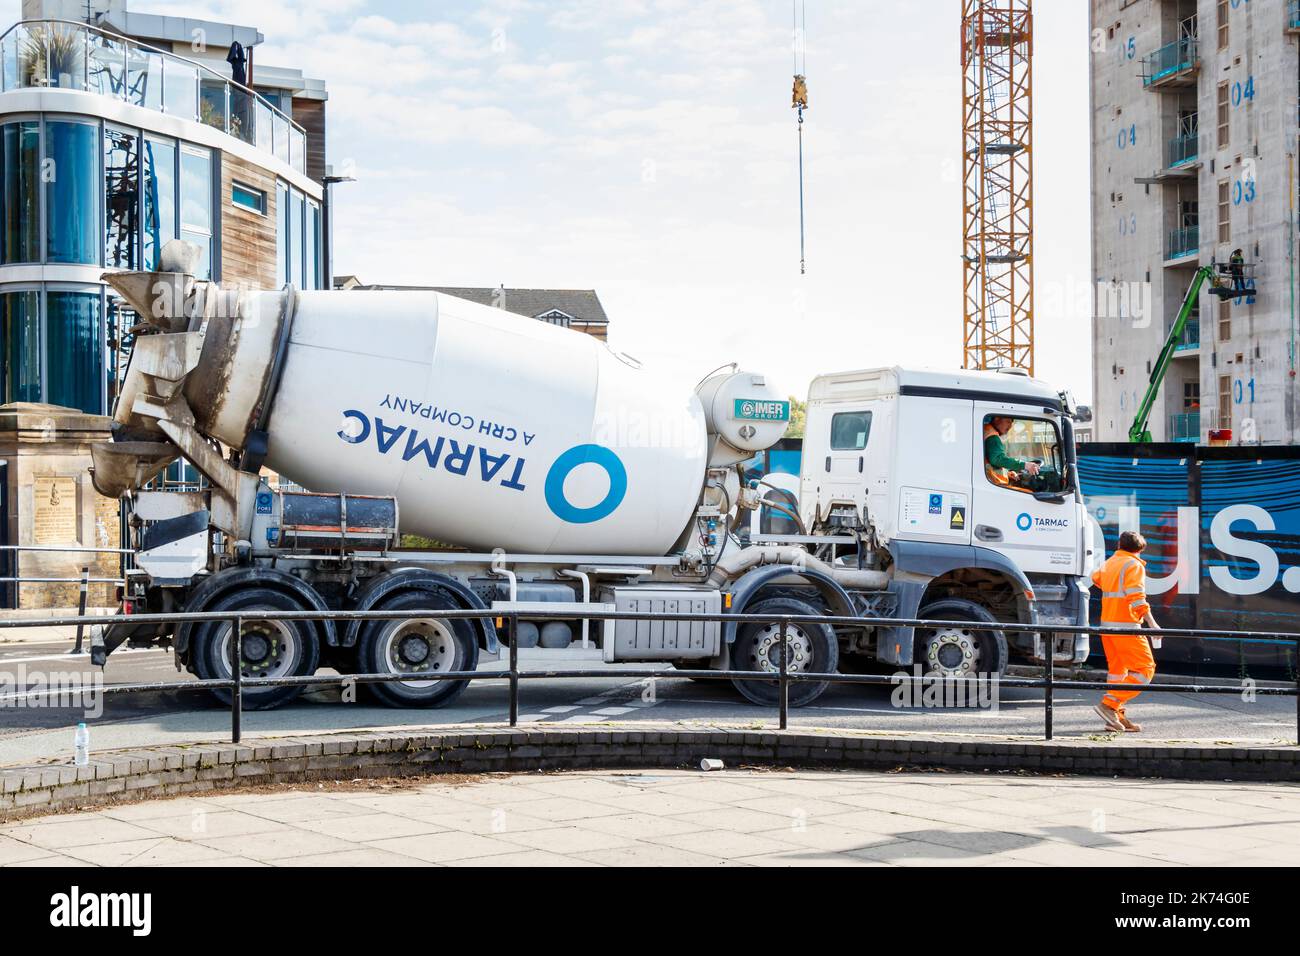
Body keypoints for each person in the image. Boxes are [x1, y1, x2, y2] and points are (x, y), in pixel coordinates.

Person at [1091, 531, 1160, 733]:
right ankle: (1109, 705)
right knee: (1146, 670)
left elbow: (1097, 579)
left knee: (1117, 673)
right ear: (1140, 549)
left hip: (1107, 626)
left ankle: (1115, 718)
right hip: (1127, 627)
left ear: (1119, 545)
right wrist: (1152, 623)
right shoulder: (1134, 565)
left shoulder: (1110, 562)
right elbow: (1136, 598)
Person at [983, 416, 1040, 486]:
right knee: (1030, 493)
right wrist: (1025, 465)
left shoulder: (986, 430)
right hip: (994, 483)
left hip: (990, 480)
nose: (1010, 426)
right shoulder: (992, 437)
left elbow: (989, 463)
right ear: (997, 419)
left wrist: (1006, 473)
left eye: (1011, 423)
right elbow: (997, 459)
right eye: (1008, 422)